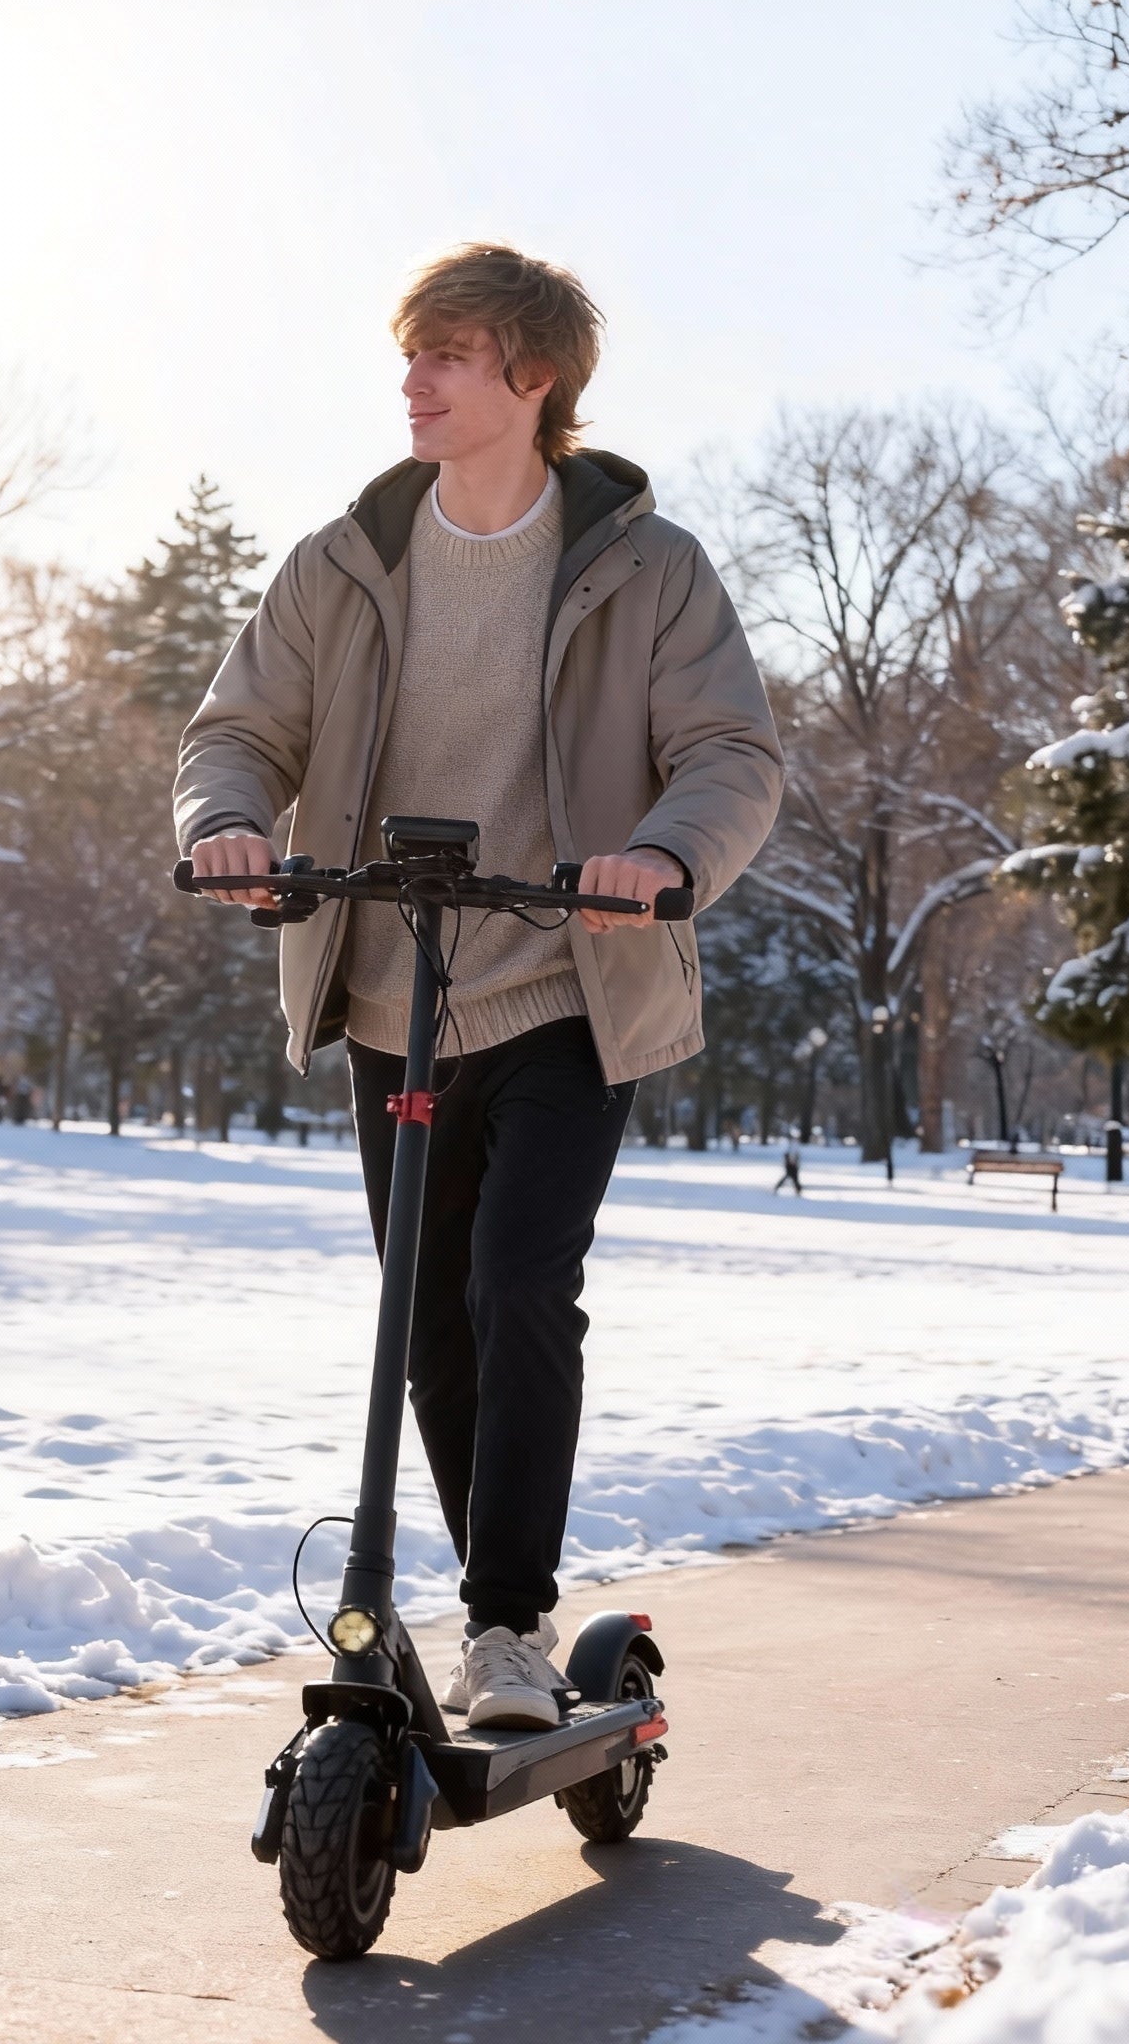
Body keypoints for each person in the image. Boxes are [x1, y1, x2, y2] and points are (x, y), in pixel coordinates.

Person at [173, 244, 782, 1730]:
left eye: (448, 355)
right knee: (427, 1316)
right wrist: (229, 824)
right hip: (393, 989)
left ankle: (508, 1625)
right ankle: (467, 1605)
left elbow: (733, 756)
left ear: (535, 378)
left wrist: (658, 852)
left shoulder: (650, 567)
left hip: (570, 983)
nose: (414, 382)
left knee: (519, 1284)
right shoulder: (346, 560)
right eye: (411, 354)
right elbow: (236, 729)